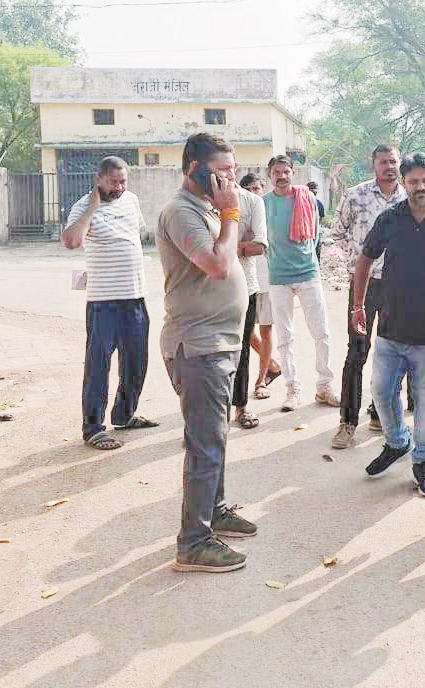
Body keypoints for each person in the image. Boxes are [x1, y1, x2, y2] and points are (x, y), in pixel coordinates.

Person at [155, 133, 259, 573]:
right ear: (194, 169)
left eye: (233, 170)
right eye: (222, 171)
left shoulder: (207, 209)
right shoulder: (181, 212)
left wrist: (226, 212)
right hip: (198, 346)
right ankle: (194, 543)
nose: (230, 179)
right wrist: (231, 214)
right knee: (204, 444)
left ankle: (213, 511)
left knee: (214, 437)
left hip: (220, 343)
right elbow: (217, 266)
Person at [352, 153, 425, 496]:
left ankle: (424, 461)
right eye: (413, 181)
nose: (420, 187)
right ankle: (397, 442)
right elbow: (365, 259)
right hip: (391, 326)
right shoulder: (390, 218)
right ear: (404, 184)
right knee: (381, 391)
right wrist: (357, 306)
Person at [61, 156, 159, 450]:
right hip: (103, 302)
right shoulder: (83, 207)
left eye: (123, 181)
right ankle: (93, 428)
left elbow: (132, 238)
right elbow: (71, 241)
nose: (119, 187)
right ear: (99, 179)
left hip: (135, 297)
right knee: (98, 366)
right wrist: (92, 208)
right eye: (113, 182)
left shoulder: (131, 201)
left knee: (136, 361)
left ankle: (124, 415)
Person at [331, 144, 409, 448]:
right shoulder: (356, 195)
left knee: (391, 353)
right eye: (383, 162)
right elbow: (338, 232)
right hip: (363, 285)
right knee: (357, 351)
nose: (389, 167)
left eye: (393, 161)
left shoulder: (408, 197)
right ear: (373, 164)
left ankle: (379, 412)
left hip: (398, 287)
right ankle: (347, 423)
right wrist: (358, 258)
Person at [265, 154, 339, 411]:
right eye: (276, 172)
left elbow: (315, 235)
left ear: (292, 173)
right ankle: (292, 388)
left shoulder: (307, 199)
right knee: (285, 337)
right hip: (278, 278)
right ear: (269, 175)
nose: (282, 176)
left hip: (308, 273)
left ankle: (324, 386)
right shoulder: (263, 204)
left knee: (322, 332)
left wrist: (309, 260)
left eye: (286, 171)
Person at [227, 174, 270, 429]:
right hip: (208, 289)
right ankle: (211, 414)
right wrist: (241, 244)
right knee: (210, 353)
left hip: (245, 285)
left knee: (242, 350)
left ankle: (241, 406)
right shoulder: (200, 201)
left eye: (229, 167)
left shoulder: (252, 202)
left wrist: (223, 248)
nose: (225, 173)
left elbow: (259, 246)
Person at [307, 180, 326, 262]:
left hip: (316, 230)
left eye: (315, 192)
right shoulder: (300, 203)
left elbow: (322, 217)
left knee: (316, 250)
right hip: (305, 231)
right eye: (312, 192)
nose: (314, 194)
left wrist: (316, 226)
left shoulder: (318, 203)